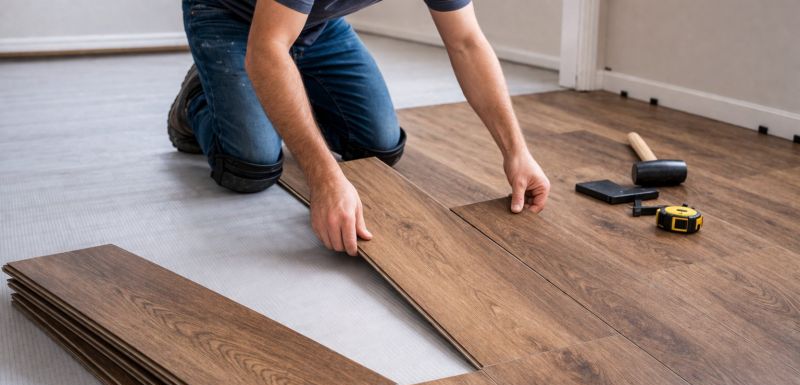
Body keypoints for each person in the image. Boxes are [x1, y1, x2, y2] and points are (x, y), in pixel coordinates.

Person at [168, 0, 550, 256]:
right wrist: (326, 180)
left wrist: (516, 151)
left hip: (317, 24)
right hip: (229, 15)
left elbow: (466, 42)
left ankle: (287, 82)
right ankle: (197, 99)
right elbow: (267, 47)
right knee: (250, 168)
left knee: (379, 148)